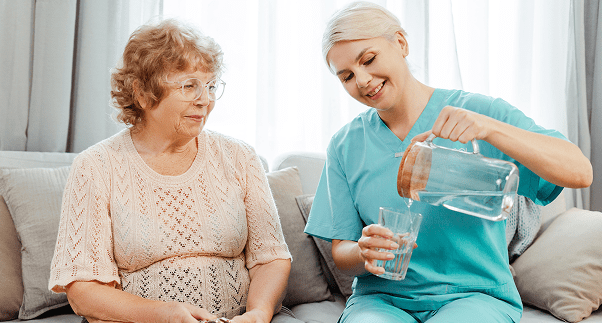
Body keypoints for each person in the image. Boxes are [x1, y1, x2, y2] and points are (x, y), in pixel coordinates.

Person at [304, 2, 593, 323]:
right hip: (380, 301)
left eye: (368, 59)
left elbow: (580, 172)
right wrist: (362, 251)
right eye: (346, 76)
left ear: (400, 43)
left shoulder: (476, 114)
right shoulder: (346, 145)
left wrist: (490, 129)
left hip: (475, 295)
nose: (362, 79)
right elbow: (341, 251)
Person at [49, 19, 291, 323]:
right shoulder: (96, 166)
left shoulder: (239, 156)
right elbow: (82, 290)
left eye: (211, 85)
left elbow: (270, 257)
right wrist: (164, 315)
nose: (205, 100)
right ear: (143, 93)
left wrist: (258, 313)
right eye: (190, 85)